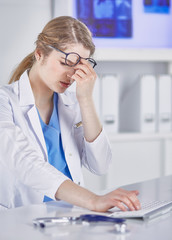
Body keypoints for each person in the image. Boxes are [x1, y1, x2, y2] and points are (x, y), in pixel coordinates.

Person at [0, 16, 141, 212]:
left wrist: (85, 100)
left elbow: (100, 165)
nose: (72, 74)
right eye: (67, 62)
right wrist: (93, 201)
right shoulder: (5, 102)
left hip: (69, 217)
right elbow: (26, 163)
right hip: (22, 219)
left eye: (80, 66)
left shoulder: (71, 103)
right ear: (40, 54)